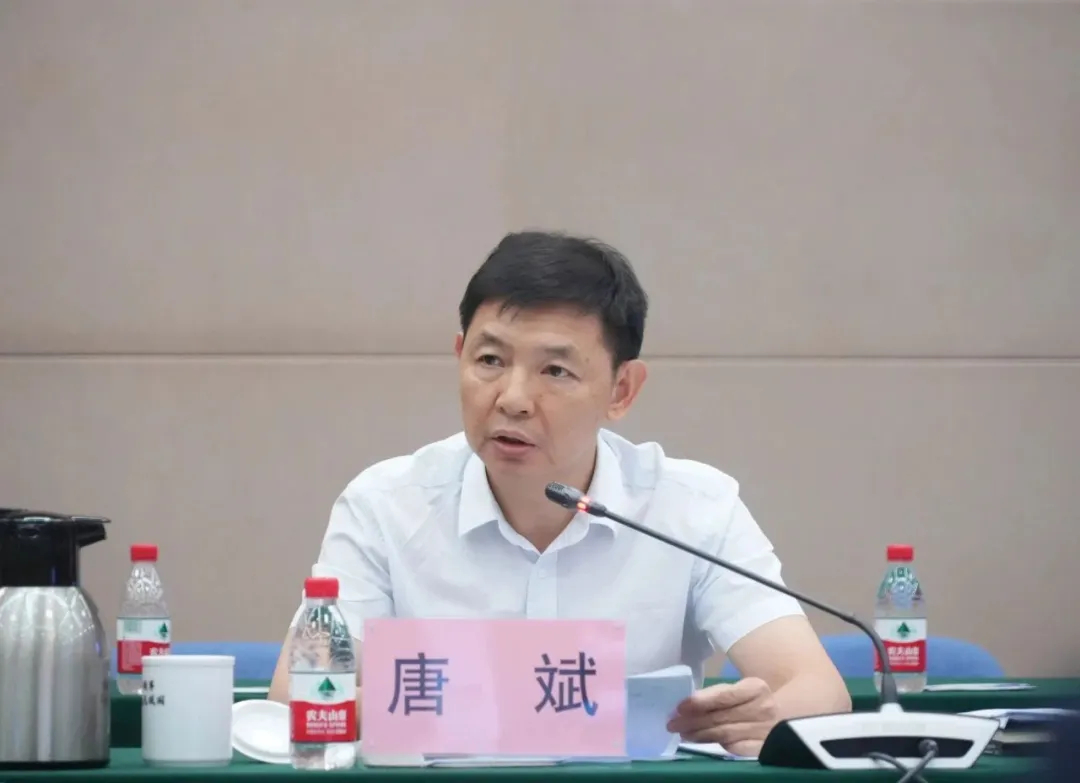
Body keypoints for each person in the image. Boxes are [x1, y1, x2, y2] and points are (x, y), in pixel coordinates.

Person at [268, 230, 851, 755]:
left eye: (555, 371)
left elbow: (818, 688)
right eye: (490, 360)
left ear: (621, 390)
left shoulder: (691, 508)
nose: (513, 398)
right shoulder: (384, 505)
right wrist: (504, 706)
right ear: (459, 355)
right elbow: (296, 698)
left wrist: (765, 717)